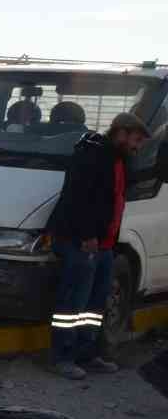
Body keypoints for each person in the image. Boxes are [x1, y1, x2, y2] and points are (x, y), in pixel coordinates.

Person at [46, 112, 151, 380]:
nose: (138, 147)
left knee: (94, 304)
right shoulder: (92, 155)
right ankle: (62, 357)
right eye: (136, 140)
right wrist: (87, 235)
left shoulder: (119, 160)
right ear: (121, 133)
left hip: (104, 245)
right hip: (81, 241)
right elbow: (78, 198)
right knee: (73, 303)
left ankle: (87, 352)